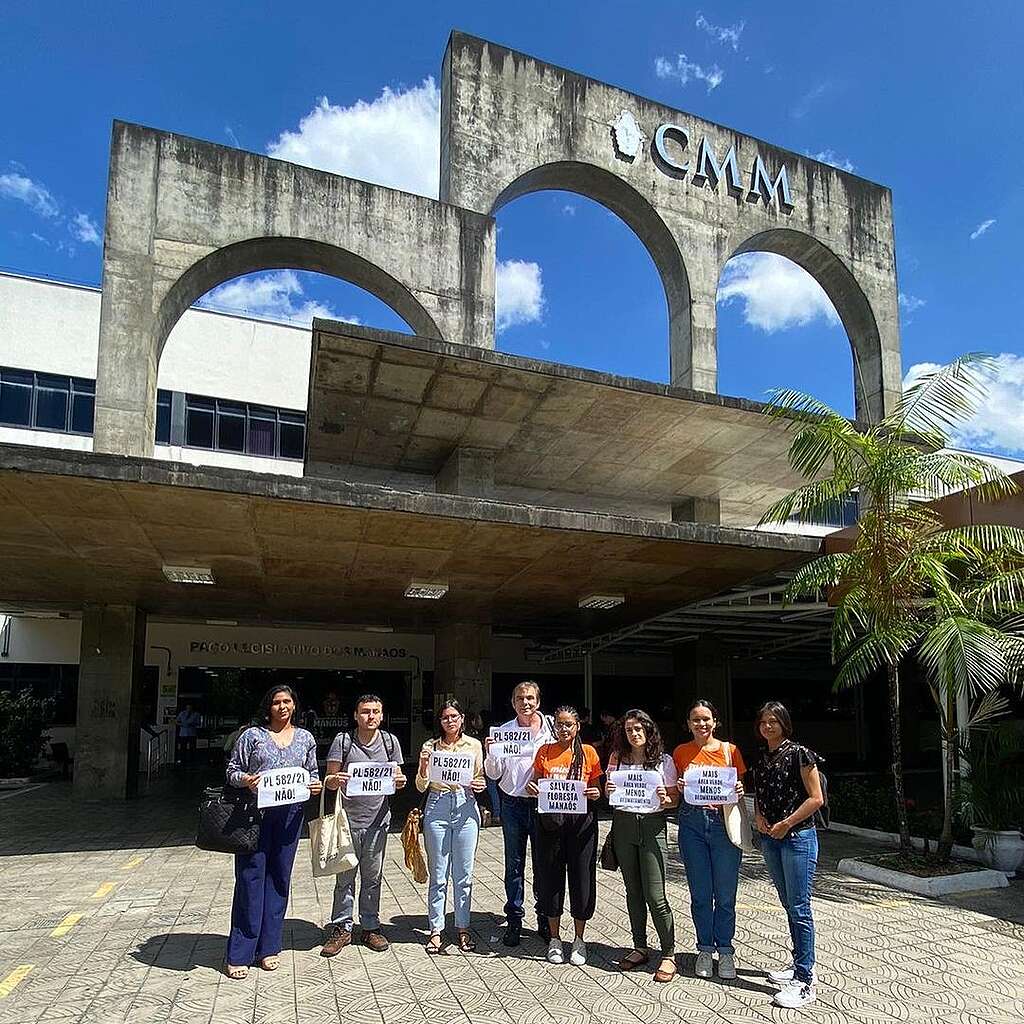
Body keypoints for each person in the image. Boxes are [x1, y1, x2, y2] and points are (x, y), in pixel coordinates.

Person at [224, 686, 321, 979]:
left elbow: (312, 774)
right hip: (254, 815)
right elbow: (232, 771)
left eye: (287, 701)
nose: (282, 707)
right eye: (277, 702)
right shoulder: (251, 736)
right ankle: (240, 952)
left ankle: (269, 948)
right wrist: (246, 780)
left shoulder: (306, 738)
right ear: (269, 707)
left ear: (294, 706)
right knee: (250, 878)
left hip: (290, 817)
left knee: (279, 879)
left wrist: (315, 785)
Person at [320, 694, 406, 956]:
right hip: (347, 822)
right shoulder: (343, 741)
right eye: (365, 712)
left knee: (372, 878)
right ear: (356, 715)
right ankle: (342, 928)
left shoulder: (391, 743)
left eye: (376, 712)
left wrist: (400, 781)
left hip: (378, 822)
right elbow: (328, 780)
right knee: (344, 878)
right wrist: (337, 779)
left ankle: (370, 927)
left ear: (381, 715)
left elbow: (398, 776)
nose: (371, 716)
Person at [752, 701, 824, 1010]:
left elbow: (816, 798)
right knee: (788, 904)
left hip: (797, 838)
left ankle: (806, 980)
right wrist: (758, 817)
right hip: (771, 840)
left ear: (785, 724)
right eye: (764, 722)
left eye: (774, 722)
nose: (768, 726)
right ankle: (798, 966)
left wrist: (786, 824)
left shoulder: (800, 754)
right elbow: (758, 795)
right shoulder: (762, 757)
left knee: (799, 907)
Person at [672, 698, 746, 980]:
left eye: (706, 719)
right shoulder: (681, 752)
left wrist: (739, 788)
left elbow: (740, 786)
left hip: (722, 824)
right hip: (691, 823)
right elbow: (676, 791)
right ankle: (704, 949)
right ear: (688, 724)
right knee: (701, 894)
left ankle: (725, 950)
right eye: (695, 719)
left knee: (725, 895)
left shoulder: (731, 751)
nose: (701, 724)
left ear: (715, 722)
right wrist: (679, 787)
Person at [604, 709, 678, 982]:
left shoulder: (663, 761)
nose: (634, 734)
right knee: (632, 890)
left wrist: (666, 798)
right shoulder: (616, 759)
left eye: (638, 729)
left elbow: (674, 800)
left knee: (655, 895)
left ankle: (669, 953)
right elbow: (607, 791)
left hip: (652, 826)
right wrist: (609, 789)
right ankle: (640, 946)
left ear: (648, 731)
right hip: (623, 825)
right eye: (628, 730)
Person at [526, 705, 602, 966]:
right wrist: (533, 787)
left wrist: (595, 794)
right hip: (550, 824)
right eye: (559, 724)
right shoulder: (545, 752)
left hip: (581, 826)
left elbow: (597, 789)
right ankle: (555, 939)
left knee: (582, 879)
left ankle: (579, 940)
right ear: (554, 726)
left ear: (577, 726)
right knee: (550, 879)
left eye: (569, 724)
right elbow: (536, 782)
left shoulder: (589, 753)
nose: (564, 729)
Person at [484, 680, 556, 946]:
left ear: (538, 701)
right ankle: (514, 920)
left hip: (542, 805)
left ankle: (543, 919)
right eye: (519, 699)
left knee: (543, 864)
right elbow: (493, 773)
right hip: (513, 804)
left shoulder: (551, 730)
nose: (525, 703)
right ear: (513, 703)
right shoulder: (503, 732)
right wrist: (490, 753)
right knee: (513, 864)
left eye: (530, 698)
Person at [415, 699, 486, 953]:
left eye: (454, 716)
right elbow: (421, 786)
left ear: (462, 718)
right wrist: (423, 767)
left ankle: (463, 927)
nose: (450, 721)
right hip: (438, 805)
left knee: (464, 874)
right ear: (440, 721)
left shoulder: (474, 745)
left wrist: (480, 785)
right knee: (439, 872)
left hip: (466, 805)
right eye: (445, 717)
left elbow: (478, 778)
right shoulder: (429, 746)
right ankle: (436, 929)